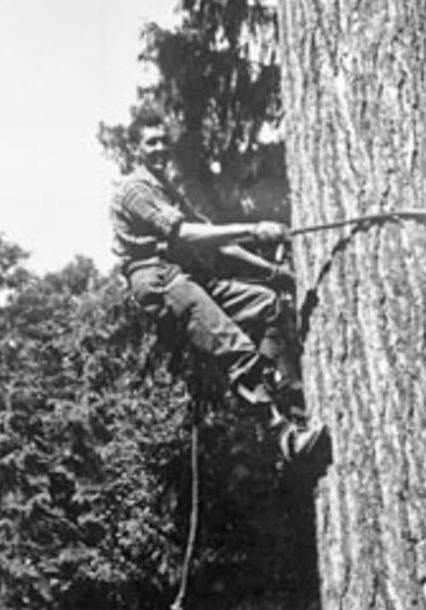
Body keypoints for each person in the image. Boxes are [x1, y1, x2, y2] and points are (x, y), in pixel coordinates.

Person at [109, 108, 320, 460]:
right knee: (233, 346)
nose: (160, 147)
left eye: (164, 140)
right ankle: (284, 438)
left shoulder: (165, 190)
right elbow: (185, 233)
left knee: (269, 304)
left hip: (188, 275)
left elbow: (216, 241)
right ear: (137, 149)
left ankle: (285, 398)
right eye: (151, 142)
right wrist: (254, 229)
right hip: (161, 281)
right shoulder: (134, 190)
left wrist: (270, 269)